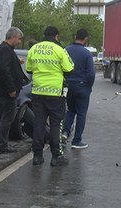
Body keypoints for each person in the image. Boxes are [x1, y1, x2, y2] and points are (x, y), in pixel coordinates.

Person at [26, 26, 74, 166]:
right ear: (56, 36)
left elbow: (29, 69)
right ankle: (56, 156)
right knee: (56, 124)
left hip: (38, 92)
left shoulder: (34, 49)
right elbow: (69, 69)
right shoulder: (60, 50)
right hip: (55, 94)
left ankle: (37, 156)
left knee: (39, 124)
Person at [0, 27, 24, 153]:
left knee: (1, 116)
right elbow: (4, 70)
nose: (19, 41)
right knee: (7, 118)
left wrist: (17, 62)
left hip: (1, 90)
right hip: (6, 91)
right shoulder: (5, 50)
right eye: (18, 38)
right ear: (12, 37)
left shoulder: (4, 49)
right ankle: (2, 144)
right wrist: (11, 89)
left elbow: (6, 65)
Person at [61, 29, 95, 149]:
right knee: (81, 113)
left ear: (75, 36)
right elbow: (91, 74)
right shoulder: (86, 53)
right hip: (82, 86)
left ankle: (65, 132)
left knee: (70, 110)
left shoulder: (65, 50)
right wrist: (89, 86)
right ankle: (76, 141)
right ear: (85, 39)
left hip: (68, 85)